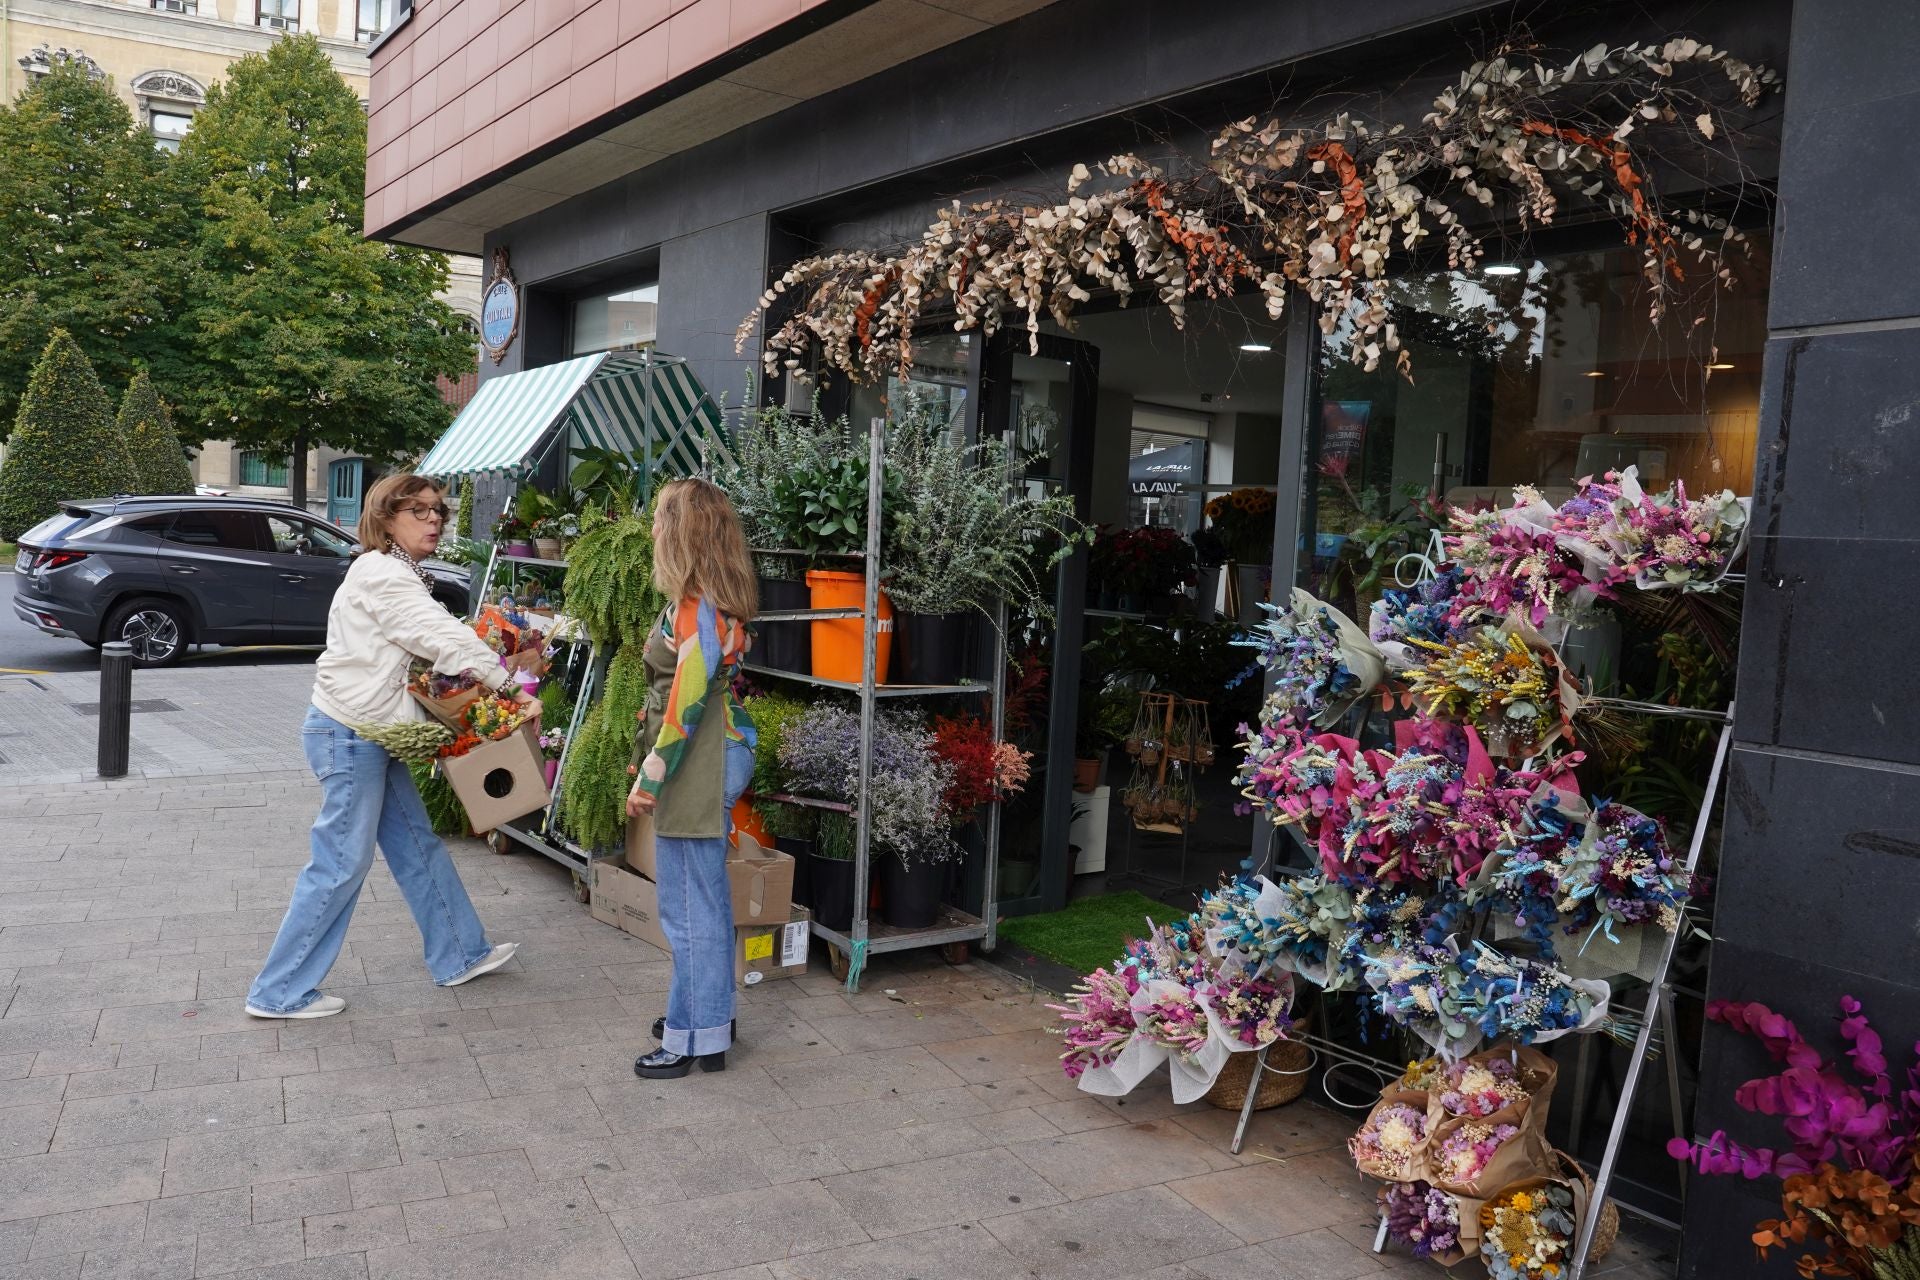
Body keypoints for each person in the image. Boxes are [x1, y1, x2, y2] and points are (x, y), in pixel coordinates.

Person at [246, 473, 536, 1019]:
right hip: (350, 735)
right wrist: (507, 686)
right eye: (418, 510)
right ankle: (278, 991)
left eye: (438, 511)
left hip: (369, 733)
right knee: (339, 864)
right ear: (385, 519)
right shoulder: (383, 574)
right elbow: (438, 634)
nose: (434, 519)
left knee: (416, 846)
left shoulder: (392, 571)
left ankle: (460, 952)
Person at [627, 477, 758, 1078]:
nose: (654, 528)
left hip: (698, 760)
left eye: (661, 519)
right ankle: (708, 1016)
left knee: (687, 908)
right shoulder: (716, 600)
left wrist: (651, 776)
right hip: (716, 748)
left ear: (681, 533)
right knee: (702, 901)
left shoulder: (696, 607)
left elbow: (687, 699)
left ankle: (695, 1037)